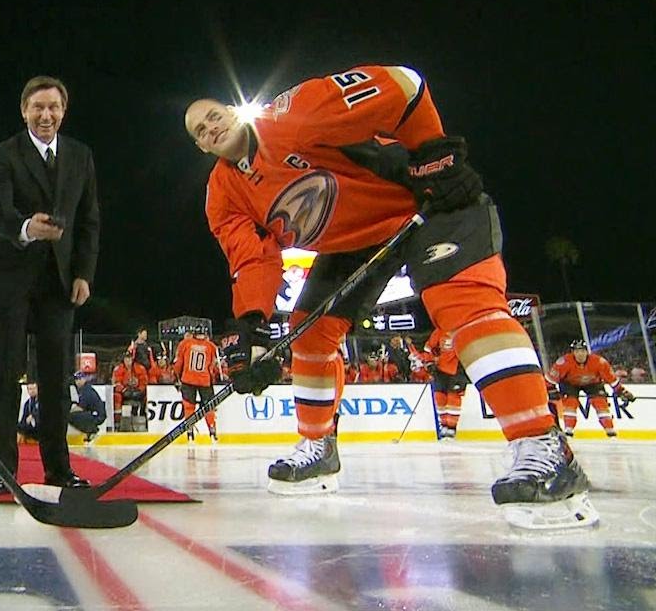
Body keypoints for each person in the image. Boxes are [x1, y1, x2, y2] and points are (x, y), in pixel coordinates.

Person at [184, 64, 594, 529]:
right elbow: (252, 258)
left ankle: (543, 446)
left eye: (214, 115)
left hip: (422, 202)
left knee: (459, 304)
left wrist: (433, 151)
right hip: (354, 242)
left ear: (234, 111)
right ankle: (318, 448)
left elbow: (404, 83)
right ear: (201, 146)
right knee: (310, 335)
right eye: (200, 130)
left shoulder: (291, 116)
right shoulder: (222, 191)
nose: (211, 128)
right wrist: (251, 329)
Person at [0, 75, 99, 494]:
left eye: (53, 107)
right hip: (8, 278)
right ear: (24, 111)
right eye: (38, 107)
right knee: (5, 372)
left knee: (55, 377)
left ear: (63, 111)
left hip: (60, 283)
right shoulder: (3, 154)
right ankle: (4, 469)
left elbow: (89, 219)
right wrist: (26, 228)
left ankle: (58, 468)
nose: (46, 115)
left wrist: (84, 272)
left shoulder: (81, 156)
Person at [548, 340, 635, 438]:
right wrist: (551, 390)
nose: (580, 354)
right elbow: (550, 379)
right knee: (570, 403)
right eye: (577, 351)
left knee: (600, 402)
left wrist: (621, 391)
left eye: (582, 351)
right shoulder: (564, 362)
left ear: (587, 352)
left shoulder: (599, 362)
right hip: (569, 384)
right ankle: (569, 430)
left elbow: (612, 379)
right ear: (573, 353)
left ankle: (610, 431)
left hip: (593, 384)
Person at [175, 329, 221, 443]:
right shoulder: (211, 346)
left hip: (188, 379)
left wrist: (177, 377)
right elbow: (212, 366)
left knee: (189, 407)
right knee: (209, 406)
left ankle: (190, 431)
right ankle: (212, 430)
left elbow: (178, 363)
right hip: (205, 380)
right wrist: (212, 379)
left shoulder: (185, 343)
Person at [68, 370, 106, 441]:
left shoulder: (86, 391)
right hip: (93, 413)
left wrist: (68, 412)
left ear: (84, 379)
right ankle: (89, 431)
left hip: (97, 416)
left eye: (79, 379)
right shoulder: (83, 389)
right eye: (76, 380)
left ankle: (92, 430)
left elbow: (81, 408)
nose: (77, 382)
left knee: (71, 416)